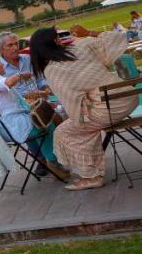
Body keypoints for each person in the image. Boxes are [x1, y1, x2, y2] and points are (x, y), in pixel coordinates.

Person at [32, 25, 139, 191]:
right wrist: (89, 32)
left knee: (65, 131)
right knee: (79, 125)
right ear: (56, 41)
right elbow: (117, 38)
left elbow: (71, 103)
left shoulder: (52, 69)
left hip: (110, 108)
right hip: (129, 97)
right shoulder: (80, 45)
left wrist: (76, 115)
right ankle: (92, 170)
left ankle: (91, 176)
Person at [0, 52, 68, 180]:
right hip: (13, 127)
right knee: (47, 124)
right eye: (0, 63)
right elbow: (6, 83)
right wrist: (21, 75)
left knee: (37, 126)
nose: (3, 65)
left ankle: (43, 160)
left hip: (2, 131)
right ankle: (53, 161)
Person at [0, 31, 49, 98]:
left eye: (16, 44)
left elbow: (40, 79)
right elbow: (2, 95)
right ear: (0, 50)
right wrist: (26, 96)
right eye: (10, 45)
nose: (15, 48)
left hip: (42, 98)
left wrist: (45, 88)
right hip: (18, 106)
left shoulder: (28, 58)